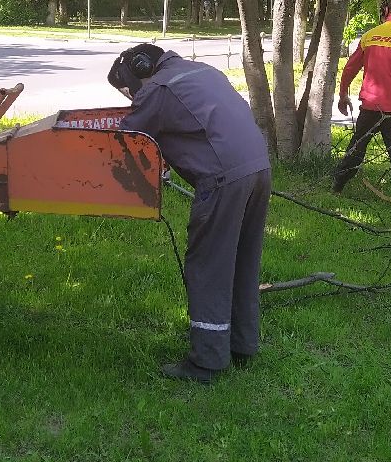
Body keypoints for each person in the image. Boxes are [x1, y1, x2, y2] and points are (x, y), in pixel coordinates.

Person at [109, 43, 271, 384]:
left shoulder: (156, 89)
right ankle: (242, 344)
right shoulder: (201, 72)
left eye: (129, 89)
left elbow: (125, 143)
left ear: (140, 69)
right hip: (258, 168)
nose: (132, 96)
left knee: (208, 265)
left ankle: (207, 361)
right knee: (243, 260)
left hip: (224, 177)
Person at [332, 0, 391, 227]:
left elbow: (349, 68)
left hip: (370, 108)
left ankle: (336, 186)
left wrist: (343, 94)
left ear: (384, 12)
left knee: (356, 150)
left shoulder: (370, 36)